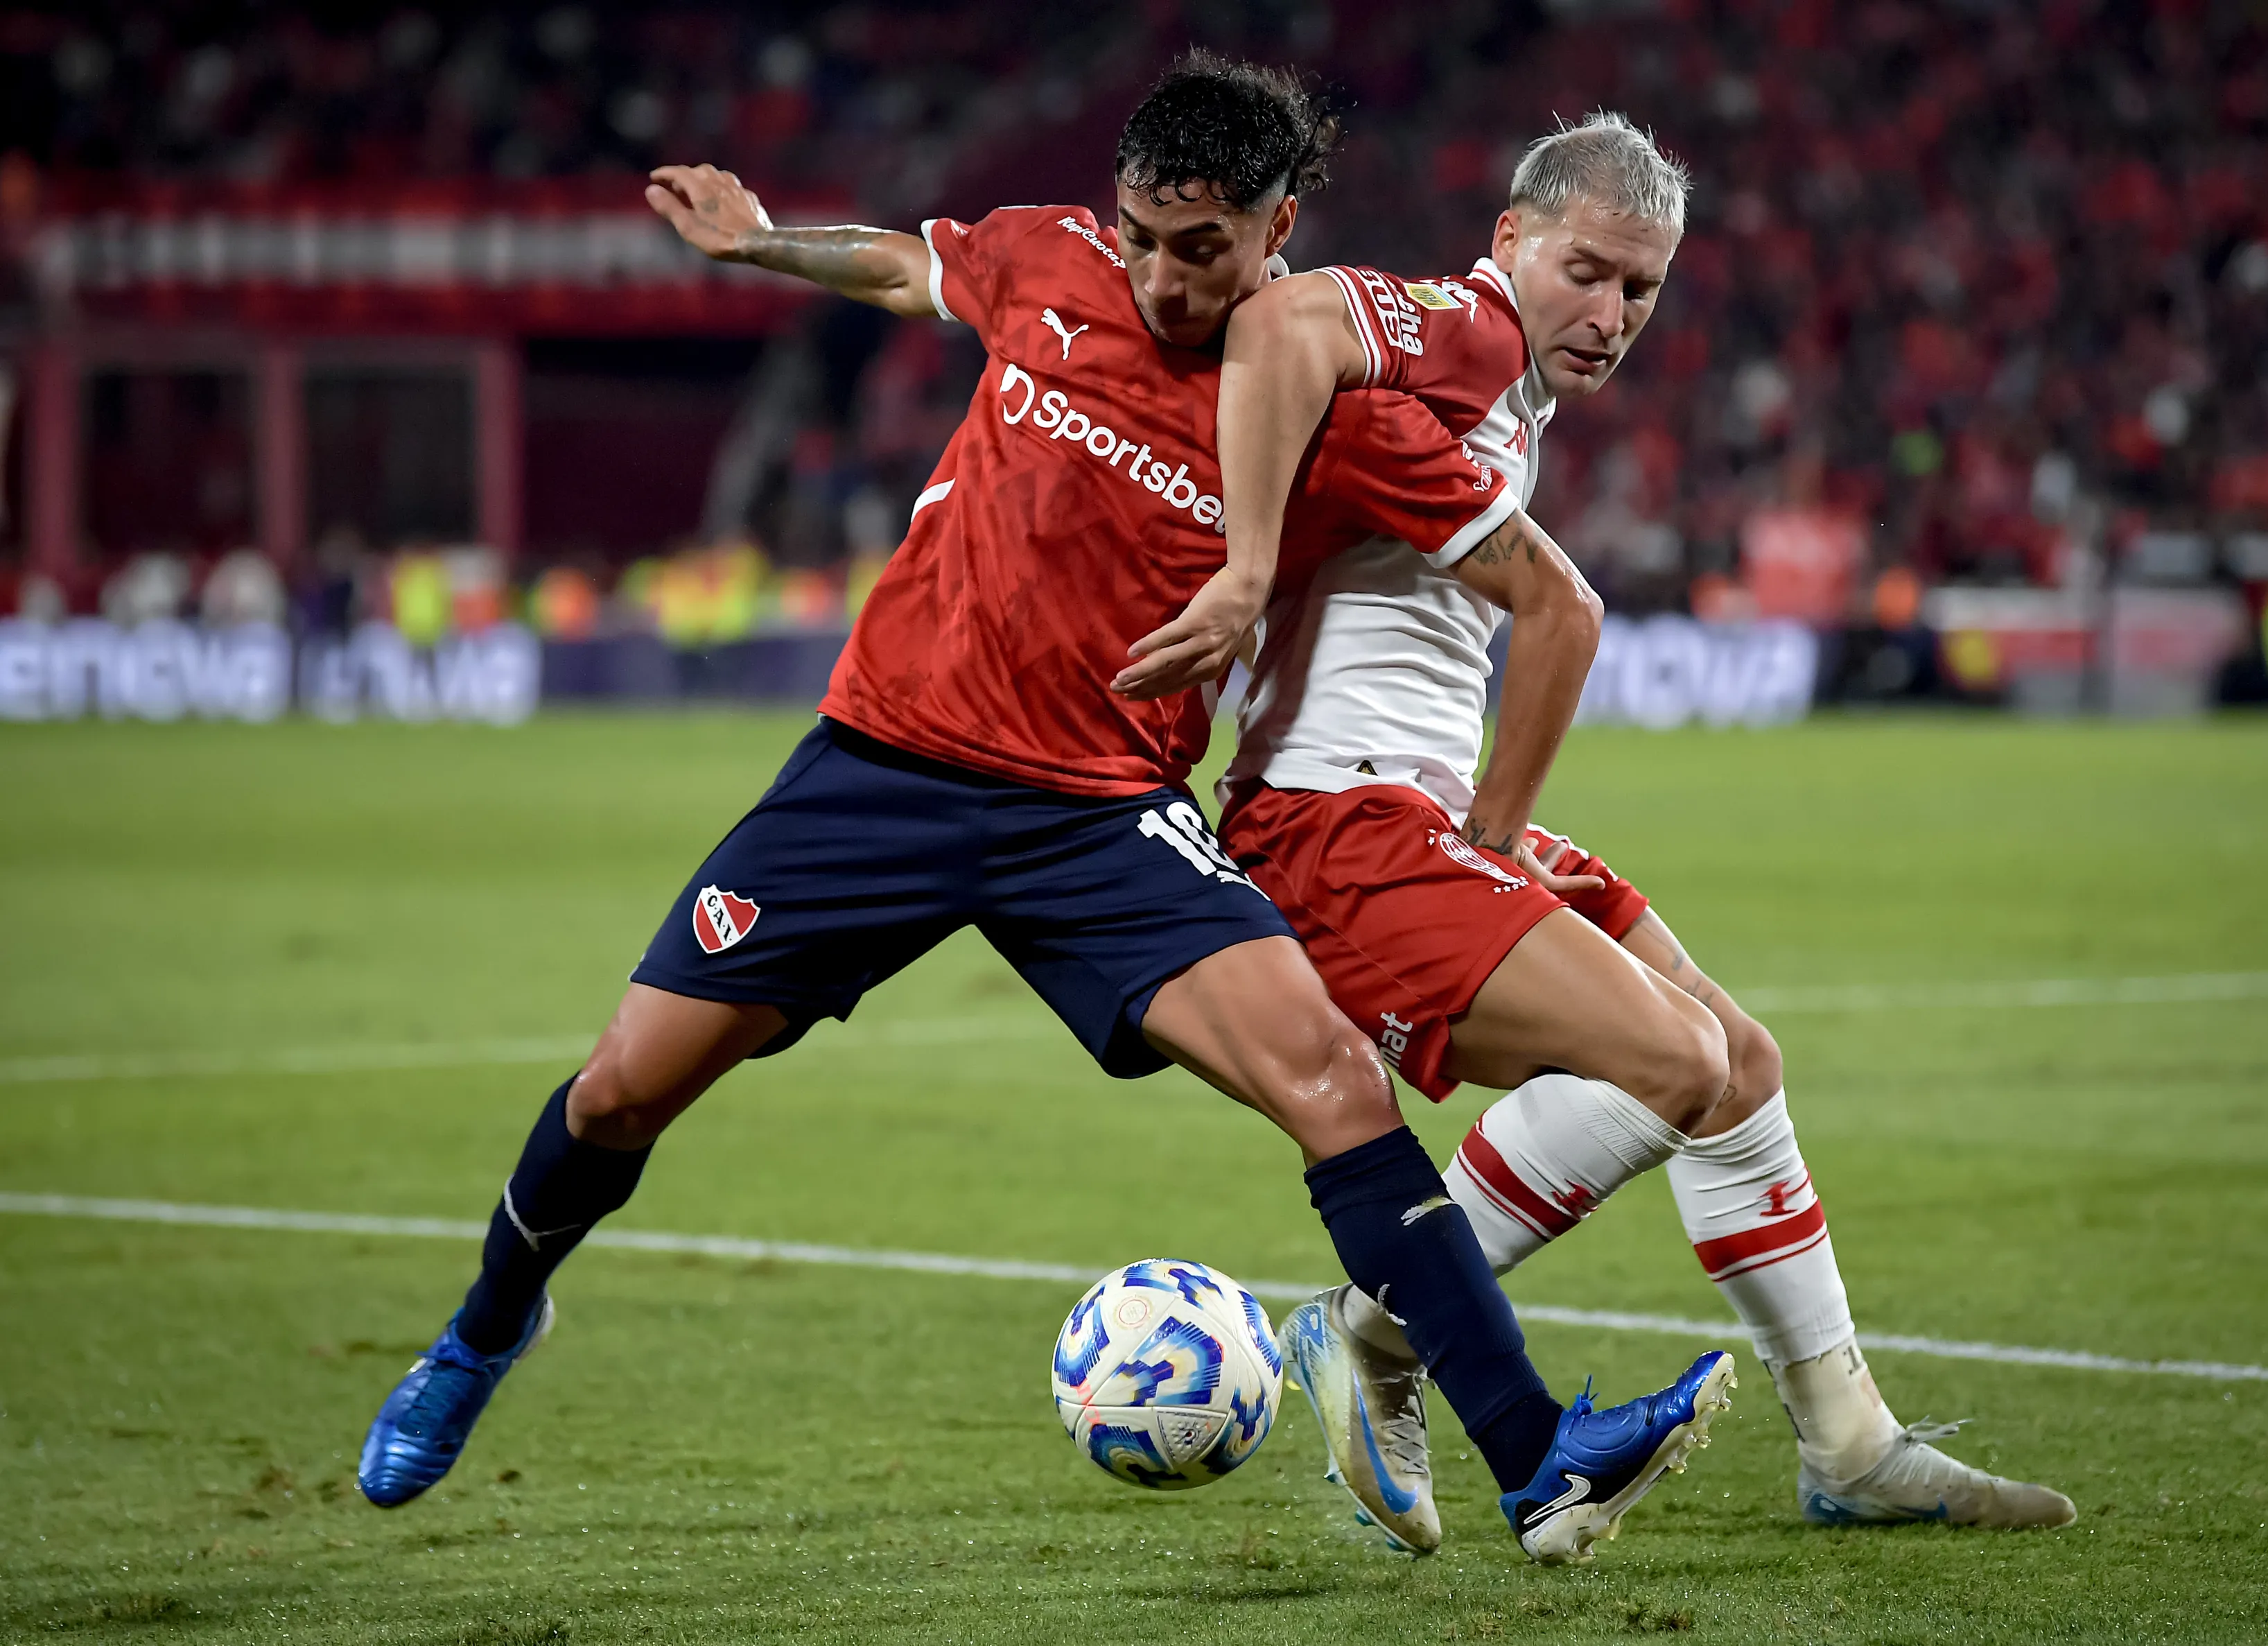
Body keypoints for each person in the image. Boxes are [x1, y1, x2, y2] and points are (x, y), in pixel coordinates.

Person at [356, 56, 1729, 1566]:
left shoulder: (1324, 415)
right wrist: (764, 242)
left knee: (1338, 1085)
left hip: (1099, 817)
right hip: (884, 769)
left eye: (1198, 248)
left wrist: (1472, 794)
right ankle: (485, 1328)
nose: (1154, 274)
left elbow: (1538, 588)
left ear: (1277, 230)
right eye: (1138, 232)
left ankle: (1534, 1458)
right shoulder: (1046, 257)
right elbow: (904, 266)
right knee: (620, 1090)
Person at [1182, 111, 2075, 1548]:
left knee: (1740, 1068)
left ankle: (1847, 1438)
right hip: (1337, 821)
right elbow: (1300, 316)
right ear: (1508, 243)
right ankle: (1380, 1322)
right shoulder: (1458, 337)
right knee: (1674, 1057)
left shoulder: (1508, 398)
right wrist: (1496, 823)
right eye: (1584, 272)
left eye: (1640, 289)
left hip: (1415, 805)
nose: (1608, 316)